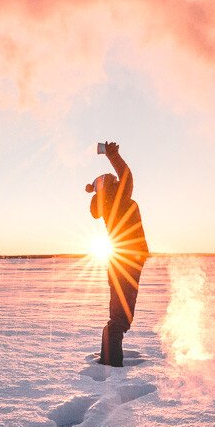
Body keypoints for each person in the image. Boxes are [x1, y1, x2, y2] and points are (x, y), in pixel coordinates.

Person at [86, 142, 149, 367]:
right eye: (113, 181)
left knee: (119, 316)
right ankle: (111, 366)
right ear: (110, 187)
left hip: (120, 260)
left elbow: (124, 179)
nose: (118, 182)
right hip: (127, 261)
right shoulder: (116, 200)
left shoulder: (109, 201)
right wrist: (113, 155)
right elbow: (127, 176)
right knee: (122, 318)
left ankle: (108, 360)